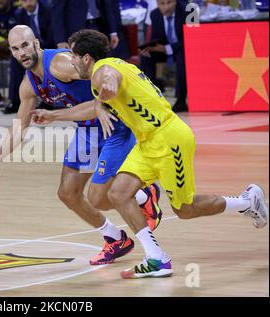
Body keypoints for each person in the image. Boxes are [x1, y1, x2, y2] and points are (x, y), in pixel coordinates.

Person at [58, 29, 268, 278]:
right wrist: (55, 115)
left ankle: (246, 202)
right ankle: (157, 258)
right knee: (118, 193)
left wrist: (105, 94)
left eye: (72, 55)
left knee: (185, 209)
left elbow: (110, 81)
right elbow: (100, 100)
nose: (69, 61)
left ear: (86, 58)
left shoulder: (104, 70)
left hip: (170, 140)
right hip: (147, 143)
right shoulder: (110, 67)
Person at [0, 25, 163, 265]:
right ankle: (115, 239)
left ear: (36, 43)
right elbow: (20, 127)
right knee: (68, 194)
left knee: (100, 198)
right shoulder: (29, 84)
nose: (21, 52)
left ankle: (141, 195)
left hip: (114, 126)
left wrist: (102, 99)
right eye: (15, 48)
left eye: (24, 45)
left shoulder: (60, 64)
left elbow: (101, 69)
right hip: (87, 130)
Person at [139, 0, 189, 112]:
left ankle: (181, 101)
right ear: (157, 3)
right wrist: (148, 47)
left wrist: (167, 48)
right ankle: (151, 98)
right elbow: (156, 37)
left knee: (182, 56)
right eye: (162, 3)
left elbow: (192, 38)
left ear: (175, 2)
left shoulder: (189, 11)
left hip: (183, 48)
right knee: (146, 57)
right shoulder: (154, 14)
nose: (166, 7)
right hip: (165, 49)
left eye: (169, 3)